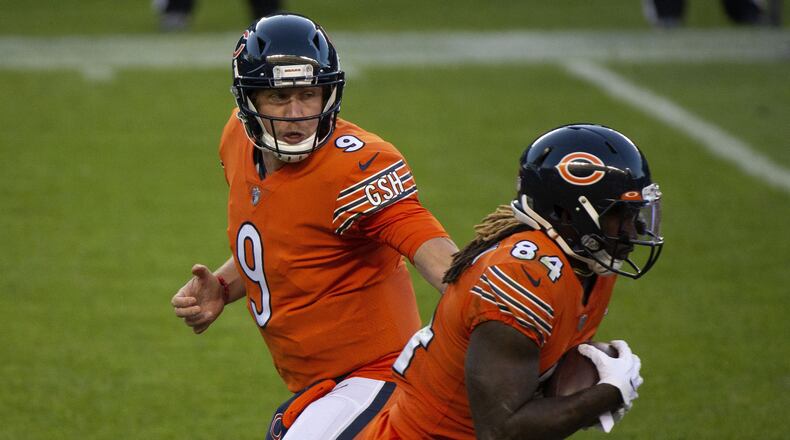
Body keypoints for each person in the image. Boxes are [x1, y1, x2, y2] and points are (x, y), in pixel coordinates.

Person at [170, 13, 458, 440]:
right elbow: (286, 239)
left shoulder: (358, 166)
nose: (297, 114)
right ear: (249, 101)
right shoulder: (236, 138)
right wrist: (228, 284)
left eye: (308, 94)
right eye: (279, 97)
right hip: (321, 383)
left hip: (380, 374)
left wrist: (495, 308)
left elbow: (435, 256)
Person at [360, 124, 665, 439]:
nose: (633, 231)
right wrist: (607, 393)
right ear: (568, 211)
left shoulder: (590, 262)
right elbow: (501, 432)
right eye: (620, 215)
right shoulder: (520, 279)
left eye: (634, 214)